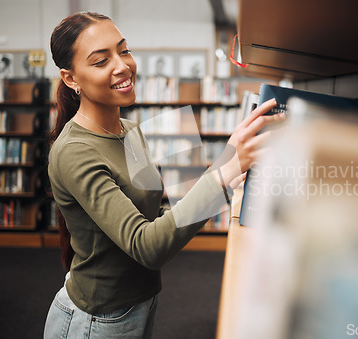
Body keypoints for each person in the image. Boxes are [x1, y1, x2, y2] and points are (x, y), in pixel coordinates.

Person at [43, 11, 282, 339]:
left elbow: (155, 217)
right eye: (101, 61)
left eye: (124, 50)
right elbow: (147, 244)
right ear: (71, 79)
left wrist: (229, 176)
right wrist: (222, 175)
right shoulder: (74, 151)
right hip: (97, 319)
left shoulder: (131, 130)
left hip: (141, 302)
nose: (122, 66)